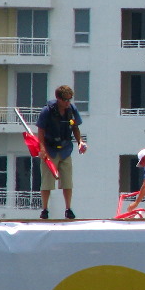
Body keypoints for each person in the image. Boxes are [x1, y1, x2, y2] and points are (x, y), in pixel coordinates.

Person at [36, 85, 87, 219]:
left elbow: (75, 127)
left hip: (65, 149)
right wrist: (42, 149)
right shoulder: (47, 111)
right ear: (58, 98)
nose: (67, 103)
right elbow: (40, 131)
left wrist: (80, 142)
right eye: (65, 100)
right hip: (50, 150)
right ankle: (45, 209)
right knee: (47, 181)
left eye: (69, 100)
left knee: (67, 181)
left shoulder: (71, 110)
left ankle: (68, 208)